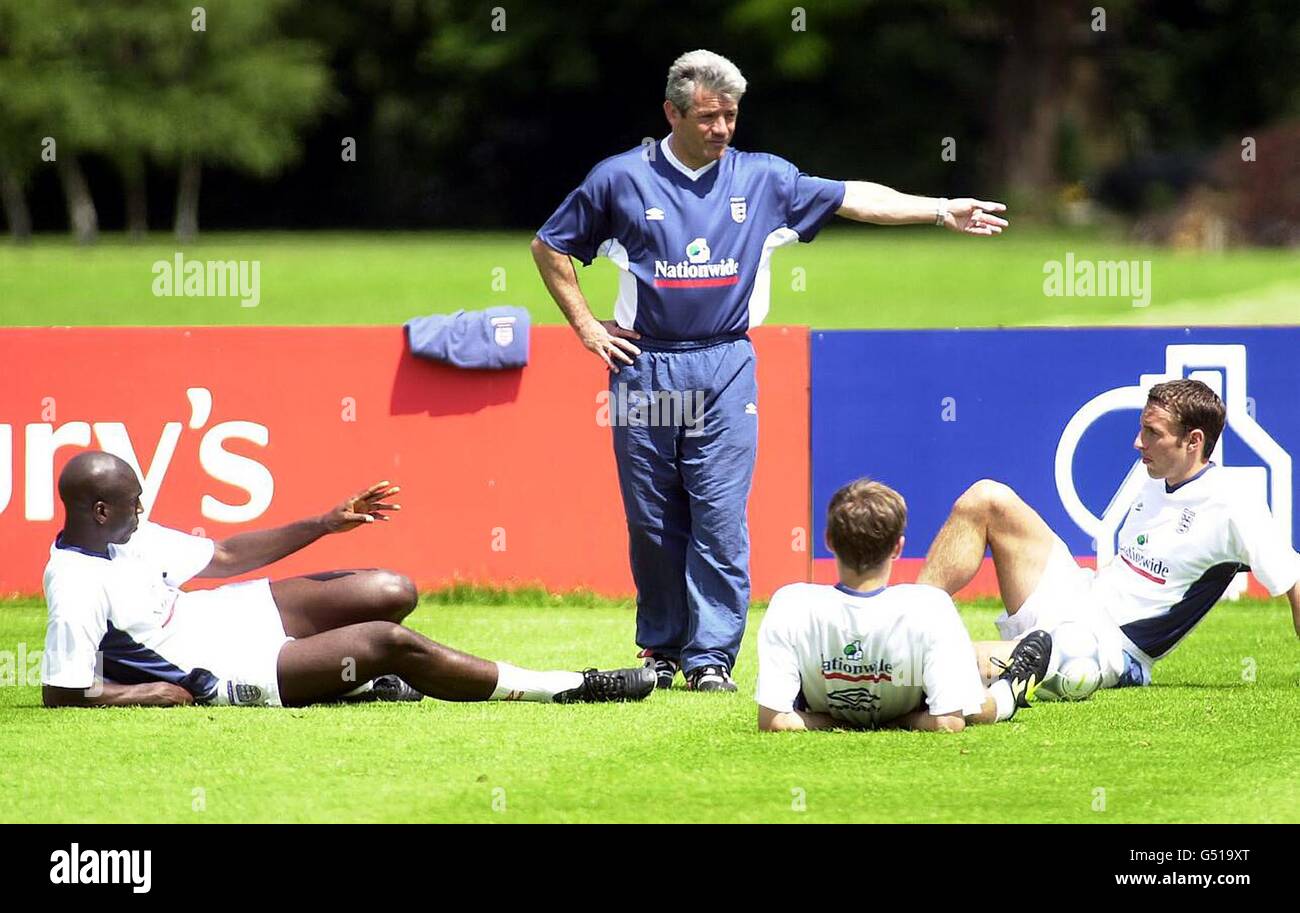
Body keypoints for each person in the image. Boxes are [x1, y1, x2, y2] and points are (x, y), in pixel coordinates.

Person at [531, 48, 1009, 692]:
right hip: (647, 367)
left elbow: (852, 198)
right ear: (671, 112)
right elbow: (550, 244)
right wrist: (587, 328)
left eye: (730, 116)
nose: (721, 129)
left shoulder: (762, 179)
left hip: (726, 363)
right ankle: (664, 648)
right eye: (707, 116)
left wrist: (939, 208)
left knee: (719, 514)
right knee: (652, 518)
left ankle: (710, 661)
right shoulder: (619, 179)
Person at [41, 451, 655, 708]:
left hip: (225, 615)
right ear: (99, 510)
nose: (144, 510)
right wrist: (145, 693)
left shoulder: (125, 535)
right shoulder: (75, 585)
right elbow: (62, 694)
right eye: (134, 503)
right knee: (386, 642)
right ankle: (567, 686)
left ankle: (359, 685)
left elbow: (224, 555)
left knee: (391, 591)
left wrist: (325, 524)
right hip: (229, 672)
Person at [917, 379, 1300, 690]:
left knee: (1021, 659)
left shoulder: (1235, 503)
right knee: (988, 497)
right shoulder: (1154, 477)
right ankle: (903, 624)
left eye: (1153, 433)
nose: (1138, 442)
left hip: (1110, 649)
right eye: (1141, 428)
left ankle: (901, 667)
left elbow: (1294, 579)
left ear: (1194, 441)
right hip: (1079, 596)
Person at [755, 478, 1049, 732]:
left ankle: (999, 671)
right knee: (975, 703)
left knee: (960, 671)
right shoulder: (930, 606)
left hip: (825, 700)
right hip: (919, 697)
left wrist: (839, 722)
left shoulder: (790, 603)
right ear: (898, 547)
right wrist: (896, 721)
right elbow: (949, 723)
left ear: (829, 541)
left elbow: (774, 721)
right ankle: (1007, 694)